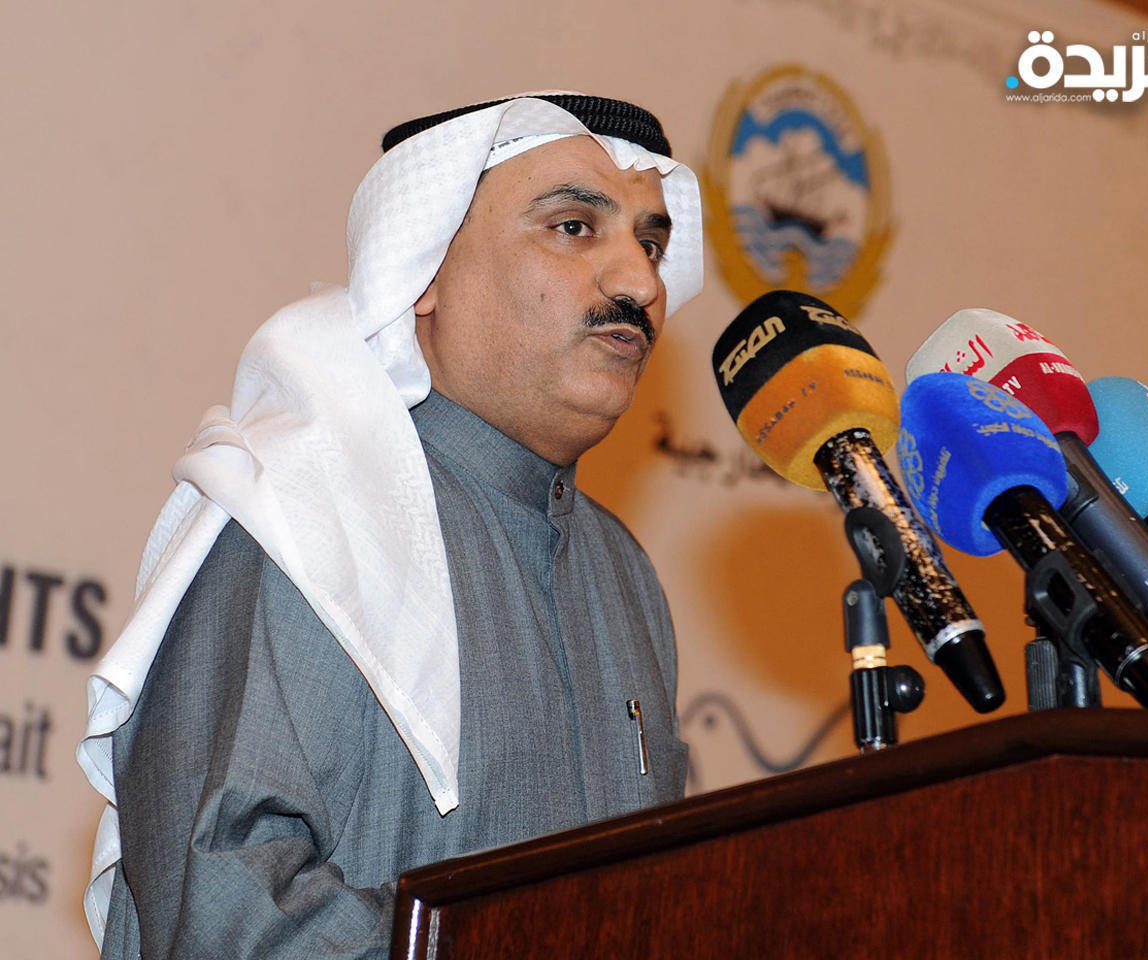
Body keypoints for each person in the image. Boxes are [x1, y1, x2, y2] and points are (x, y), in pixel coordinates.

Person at [76, 93, 703, 958]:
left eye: (652, 244)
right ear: (423, 270)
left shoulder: (624, 574)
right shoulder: (298, 513)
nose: (640, 283)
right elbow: (228, 914)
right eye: (572, 227)